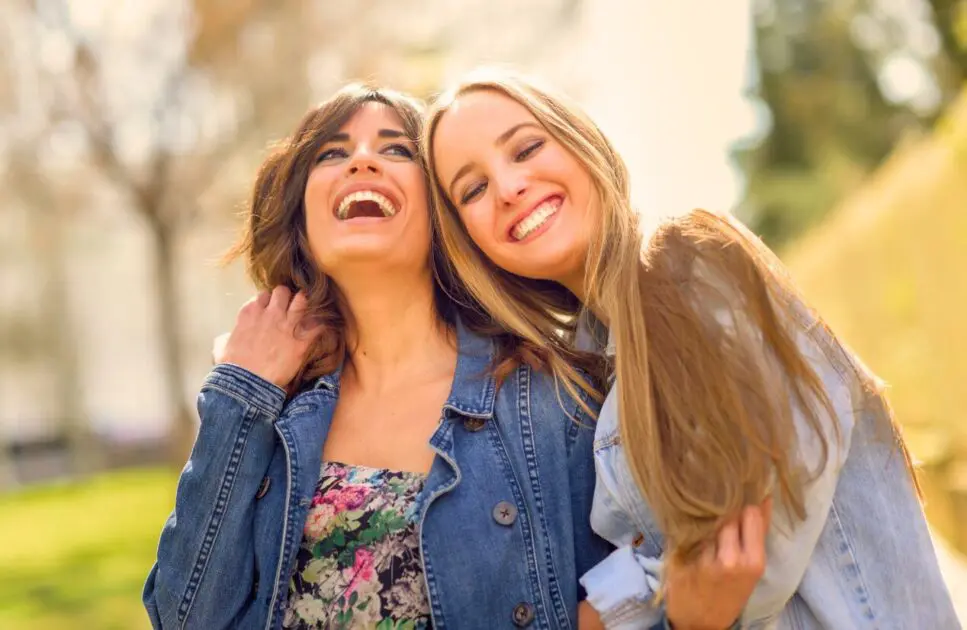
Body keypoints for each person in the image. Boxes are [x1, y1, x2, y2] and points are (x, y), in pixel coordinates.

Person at [424, 68, 961, 629]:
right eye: (474, 189)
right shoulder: (593, 369)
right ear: (471, 245)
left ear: (579, 141)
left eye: (527, 147)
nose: (509, 187)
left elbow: (745, 549)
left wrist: (618, 611)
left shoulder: (684, 263)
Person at [142, 83, 617, 630]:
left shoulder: (551, 397)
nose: (363, 161)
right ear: (301, 217)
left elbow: (629, 596)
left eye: (396, 149)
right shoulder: (269, 410)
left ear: (443, 210)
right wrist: (241, 393)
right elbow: (184, 619)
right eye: (332, 153)